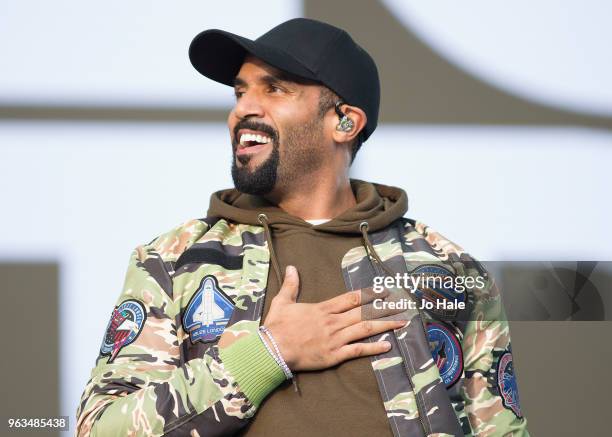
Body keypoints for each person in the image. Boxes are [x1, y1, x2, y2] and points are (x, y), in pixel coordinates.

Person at [76, 18, 528, 437]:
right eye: (239, 93)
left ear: (345, 121)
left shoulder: (448, 269)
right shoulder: (172, 261)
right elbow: (99, 428)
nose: (243, 110)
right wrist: (265, 355)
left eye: (274, 89)